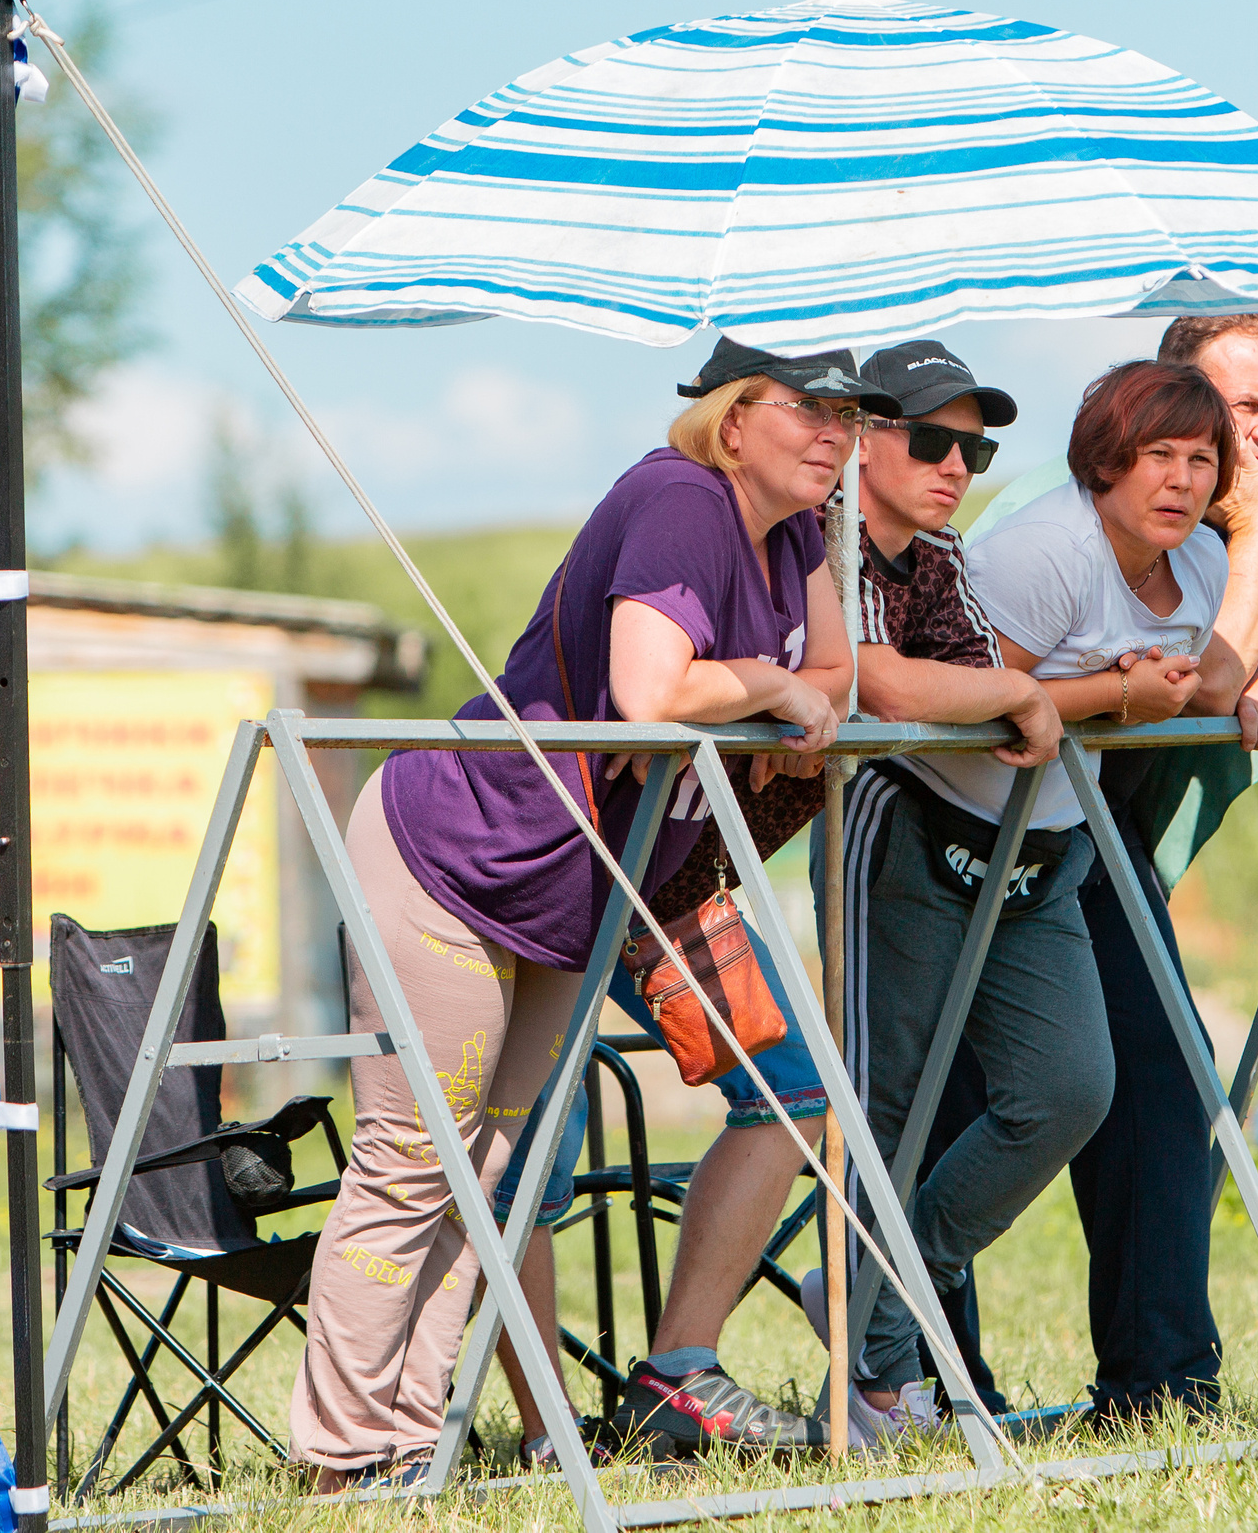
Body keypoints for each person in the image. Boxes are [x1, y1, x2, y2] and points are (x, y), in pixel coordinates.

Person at [290, 336, 888, 1486]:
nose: (836, 433)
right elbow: (649, 692)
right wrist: (764, 686)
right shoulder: (675, 497)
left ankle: (415, 1442)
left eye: (850, 416)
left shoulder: (798, 529)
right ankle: (341, 1457)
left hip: (575, 895)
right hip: (453, 861)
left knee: (498, 1166)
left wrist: (793, 683)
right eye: (809, 409)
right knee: (419, 1158)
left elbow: (837, 680)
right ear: (730, 420)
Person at [952, 313, 1258, 1421]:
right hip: (965, 829)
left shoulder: (1232, 505)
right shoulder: (1064, 514)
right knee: (942, 1098)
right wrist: (1201, 679)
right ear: (1154, 402)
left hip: (1094, 836)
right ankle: (919, 1383)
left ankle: (1163, 1385)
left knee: (1155, 1084)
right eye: (1244, 409)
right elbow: (1000, 694)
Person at [787, 338, 1082, 1446]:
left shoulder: (940, 552)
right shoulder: (827, 541)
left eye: (977, 444)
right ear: (863, 437)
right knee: (880, 1101)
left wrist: (998, 691)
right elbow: (881, 680)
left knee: (1063, 1089)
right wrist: (1017, 690)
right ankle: (877, 1376)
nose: (957, 463)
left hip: (953, 831)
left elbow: (948, 678)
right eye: (932, 438)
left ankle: (871, 1308)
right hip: (862, 828)